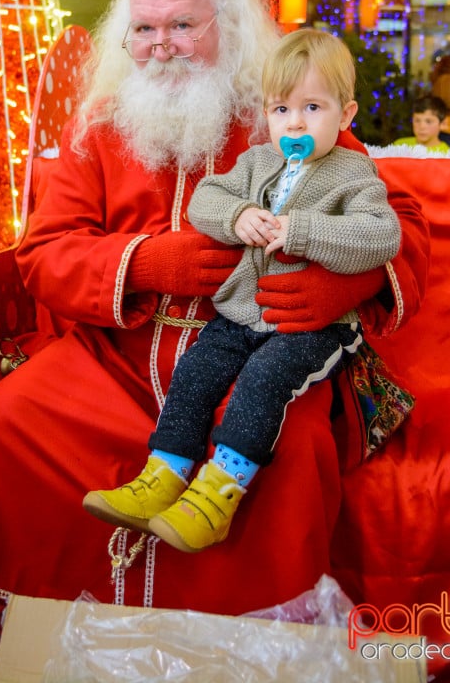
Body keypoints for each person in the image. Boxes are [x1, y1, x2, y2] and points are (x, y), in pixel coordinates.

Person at [0, 0, 428, 620]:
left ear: (224, 27)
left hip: (263, 346)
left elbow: (395, 216)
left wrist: (351, 283)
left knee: (295, 453)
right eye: (144, 28)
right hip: (117, 353)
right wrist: (140, 262)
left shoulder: (282, 108)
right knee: (7, 422)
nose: (161, 44)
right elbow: (43, 253)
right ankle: (45, 634)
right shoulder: (98, 127)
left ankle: (258, 650)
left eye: (181, 25)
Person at [83, 29, 401, 552]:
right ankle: (164, 472)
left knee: (263, 379)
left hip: (312, 328)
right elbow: (204, 201)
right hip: (240, 314)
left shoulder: (354, 173)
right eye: (281, 109)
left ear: (345, 116)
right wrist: (239, 215)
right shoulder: (257, 163)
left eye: (312, 107)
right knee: (197, 369)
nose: (294, 123)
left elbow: (381, 235)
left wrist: (301, 231)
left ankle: (218, 495)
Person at [429, 55, 450, 146]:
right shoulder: (447, 78)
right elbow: (446, 97)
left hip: (439, 115)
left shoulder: (439, 78)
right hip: (447, 116)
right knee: (445, 145)